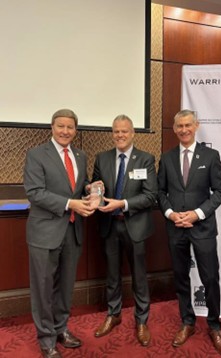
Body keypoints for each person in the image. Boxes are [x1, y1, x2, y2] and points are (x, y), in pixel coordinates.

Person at [24, 109, 96, 358]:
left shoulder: (80, 155)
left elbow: (79, 183)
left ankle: (61, 328)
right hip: (44, 232)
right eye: (60, 126)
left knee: (65, 286)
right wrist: (70, 203)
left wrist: (90, 188)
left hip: (72, 231)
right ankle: (46, 339)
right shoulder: (36, 154)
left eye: (70, 127)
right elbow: (35, 192)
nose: (65, 131)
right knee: (44, 288)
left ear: (75, 130)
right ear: (52, 127)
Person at [157, 109, 221, 356]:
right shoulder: (166, 158)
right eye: (179, 126)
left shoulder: (211, 156)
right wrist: (170, 214)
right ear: (175, 129)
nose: (184, 130)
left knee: (210, 278)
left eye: (188, 125)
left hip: (203, 227)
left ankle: (214, 325)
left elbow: (219, 192)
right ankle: (187, 322)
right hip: (175, 227)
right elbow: (160, 193)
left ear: (196, 126)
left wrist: (197, 213)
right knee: (180, 278)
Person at [92, 114, 157, 346]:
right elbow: (95, 187)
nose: (120, 135)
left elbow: (151, 195)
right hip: (109, 225)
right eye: (116, 131)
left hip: (135, 226)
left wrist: (123, 204)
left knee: (139, 276)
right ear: (113, 133)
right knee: (112, 274)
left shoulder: (146, 159)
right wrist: (93, 193)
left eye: (124, 131)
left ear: (133, 133)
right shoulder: (102, 158)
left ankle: (141, 320)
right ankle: (114, 314)